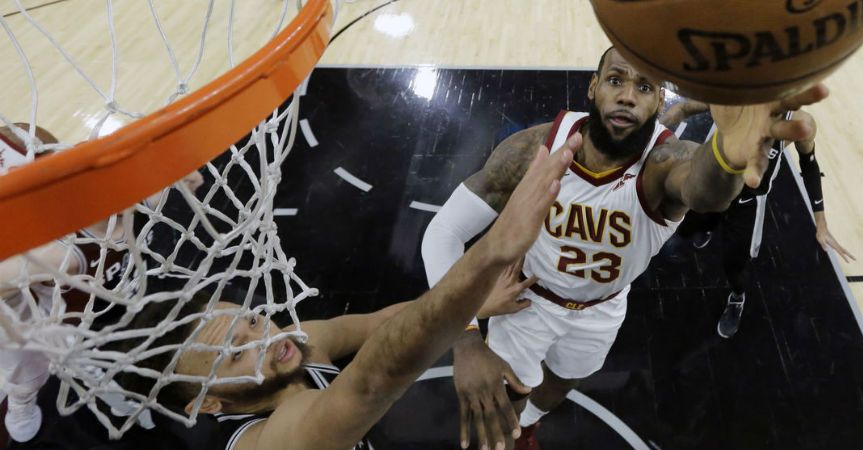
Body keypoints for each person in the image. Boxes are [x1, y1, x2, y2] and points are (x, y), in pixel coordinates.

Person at [421, 47, 828, 450]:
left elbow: (706, 192)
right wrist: (466, 337)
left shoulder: (666, 161)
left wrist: (728, 155)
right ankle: (516, 431)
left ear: (659, 101)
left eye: (645, 87)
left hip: (603, 307)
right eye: (616, 80)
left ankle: (530, 425)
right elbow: (442, 233)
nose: (628, 95)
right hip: (528, 301)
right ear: (594, 87)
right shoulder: (535, 149)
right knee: (503, 411)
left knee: (565, 378)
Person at [111, 132, 584, 450]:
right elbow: (372, 381)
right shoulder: (271, 440)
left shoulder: (293, 345)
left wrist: (473, 306)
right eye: (236, 355)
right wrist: (491, 252)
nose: (265, 338)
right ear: (209, 404)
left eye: (252, 320)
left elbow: (384, 322)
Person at [0, 122, 204, 443]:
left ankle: (123, 400)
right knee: (31, 370)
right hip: (70, 326)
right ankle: (22, 404)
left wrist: (170, 165)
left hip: (128, 299)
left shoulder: (144, 196)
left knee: (128, 362)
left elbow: (188, 175)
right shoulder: (58, 254)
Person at [660, 101, 855, 338]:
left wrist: (821, 224)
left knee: (735, 265)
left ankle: (737, 298)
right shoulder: (736, 96)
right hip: (713, 186)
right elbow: (692, 105)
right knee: (688, 226)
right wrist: (667, 117)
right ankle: (709, 225)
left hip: (747, 204)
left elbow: (810, 166)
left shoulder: (800, 124)